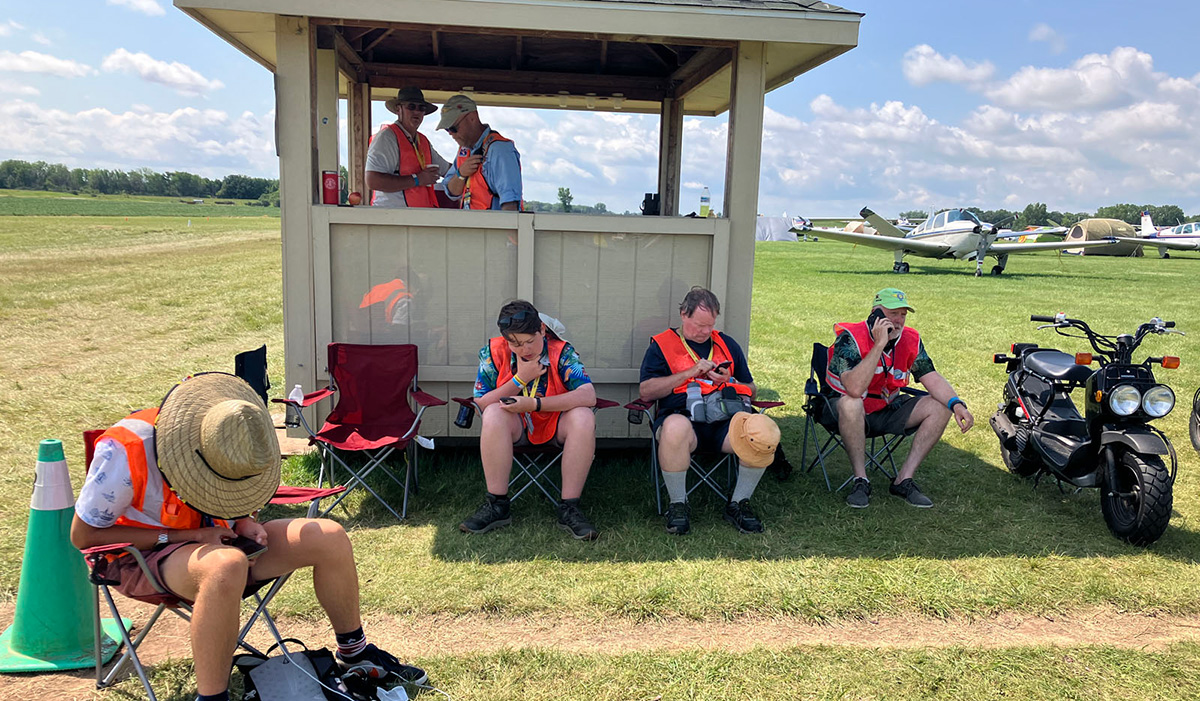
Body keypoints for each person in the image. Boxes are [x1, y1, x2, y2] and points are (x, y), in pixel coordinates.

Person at [70, 373, 426, 701]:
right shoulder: (126, 448)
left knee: (328, 535)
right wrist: (193, 535)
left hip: (219, 541)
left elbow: (224, 488)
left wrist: (241, 520)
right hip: (141, 556)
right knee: (226, 564)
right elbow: (83, 535)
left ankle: (355, 653)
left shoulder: (234, 432)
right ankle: (212, 697)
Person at [638, 287, 780, 535]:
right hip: (684, 419)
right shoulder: (662, 345)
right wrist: (689, 373)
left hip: (726, 420)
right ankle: (678, 504)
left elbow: (752, 390)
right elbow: (646, 391)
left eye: (710, 325)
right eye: (699, 325)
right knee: (674, 427)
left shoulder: (726, 343)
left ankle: (738, 503)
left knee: (763, 429)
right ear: (684, 314)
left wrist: (730, 381)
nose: (705, 332)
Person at [460, 300, 599, 539]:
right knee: (493, 413)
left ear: (542, 330)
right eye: (514, 343)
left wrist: (536, 404)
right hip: (516, 425)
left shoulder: (561, 351)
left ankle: (570, 507)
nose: (523, 349)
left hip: (555, 423)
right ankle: (497, 504)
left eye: (529, 341)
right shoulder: (493, 350)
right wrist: (519, 380)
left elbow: (588, 395)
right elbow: (481, 402)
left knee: (583, 416)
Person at [825, 288, 975, 509]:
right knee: (852, 402)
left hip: (887, 407)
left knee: (941, 406)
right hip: (843, 411)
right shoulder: (851, 338)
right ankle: (860, 480)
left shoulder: (910, 339)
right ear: (875, 314)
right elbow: (855, 389)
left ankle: (903, 480)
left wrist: (956, 404)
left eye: (903, 314)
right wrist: (879, 345)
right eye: (892, 313)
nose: (898, 321)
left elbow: (930, 376)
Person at [365, 87, 451, 208]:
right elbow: (373, 181)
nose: (417, 112)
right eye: (411, 107)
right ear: (398, 109)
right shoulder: (386, 138)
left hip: (417, 218)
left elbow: (448, 170)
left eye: (422, 108)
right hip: (390, 218)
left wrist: (468, 168)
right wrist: (417, 180)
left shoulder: (423, 141)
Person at [436, 94, 523, 211]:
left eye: (453, 128)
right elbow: (451, 191)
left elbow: (510, 203)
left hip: (492, 227)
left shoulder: (499, 150)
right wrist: (461, 174)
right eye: (447, 130)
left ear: (472, 118)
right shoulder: (464, 150)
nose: (451, 133)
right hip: (472, 226)